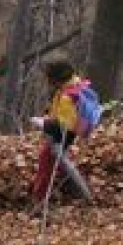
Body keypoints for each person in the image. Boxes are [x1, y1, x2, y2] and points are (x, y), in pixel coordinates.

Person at [28, 59, 92, 205]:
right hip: (66, 133)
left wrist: (43, 123)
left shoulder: (67, 97)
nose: (49, 83)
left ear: (57, 79)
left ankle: (39, 199)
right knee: (58, 162)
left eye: (50, 79)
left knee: (46, 161)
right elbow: (63, 113)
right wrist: (48, 114)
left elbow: (63, 126)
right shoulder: (73, 85)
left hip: (62, 136)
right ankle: (71, 190)